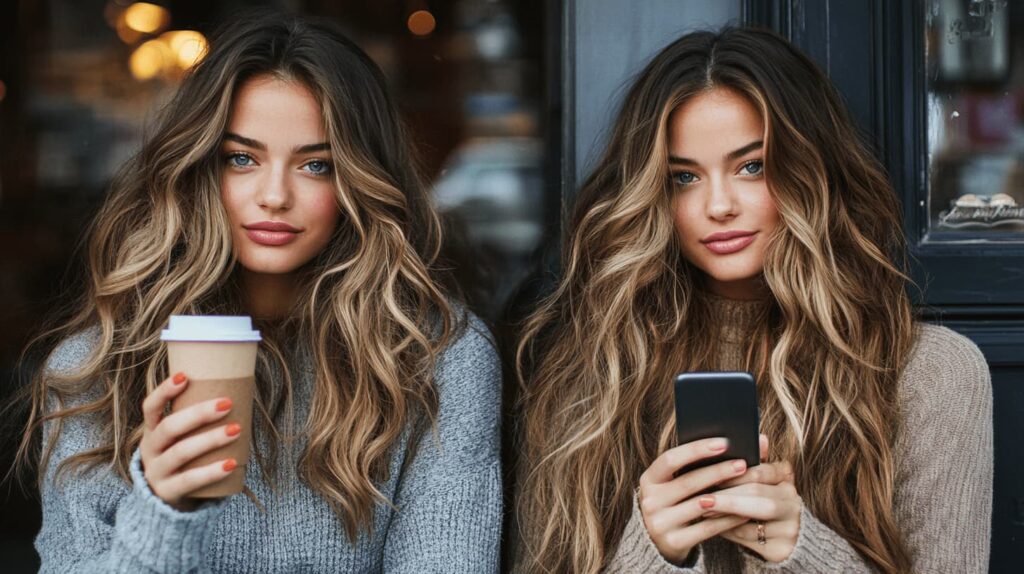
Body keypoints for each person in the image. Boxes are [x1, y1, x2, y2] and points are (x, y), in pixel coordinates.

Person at [15, 12, 502, 573]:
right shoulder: (98, 370)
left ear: (358, 181)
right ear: (198, 168)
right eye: (242, 158)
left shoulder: (440, 362)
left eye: (316, 165)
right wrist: (163, 514)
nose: (274, 195)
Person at [513, 26, 991, 574]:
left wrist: (802, 552)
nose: (718, 205)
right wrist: (652, 552)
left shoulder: (931, 374)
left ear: (812, 168)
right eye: (683, 177)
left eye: (752, 166)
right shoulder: (585, 375)